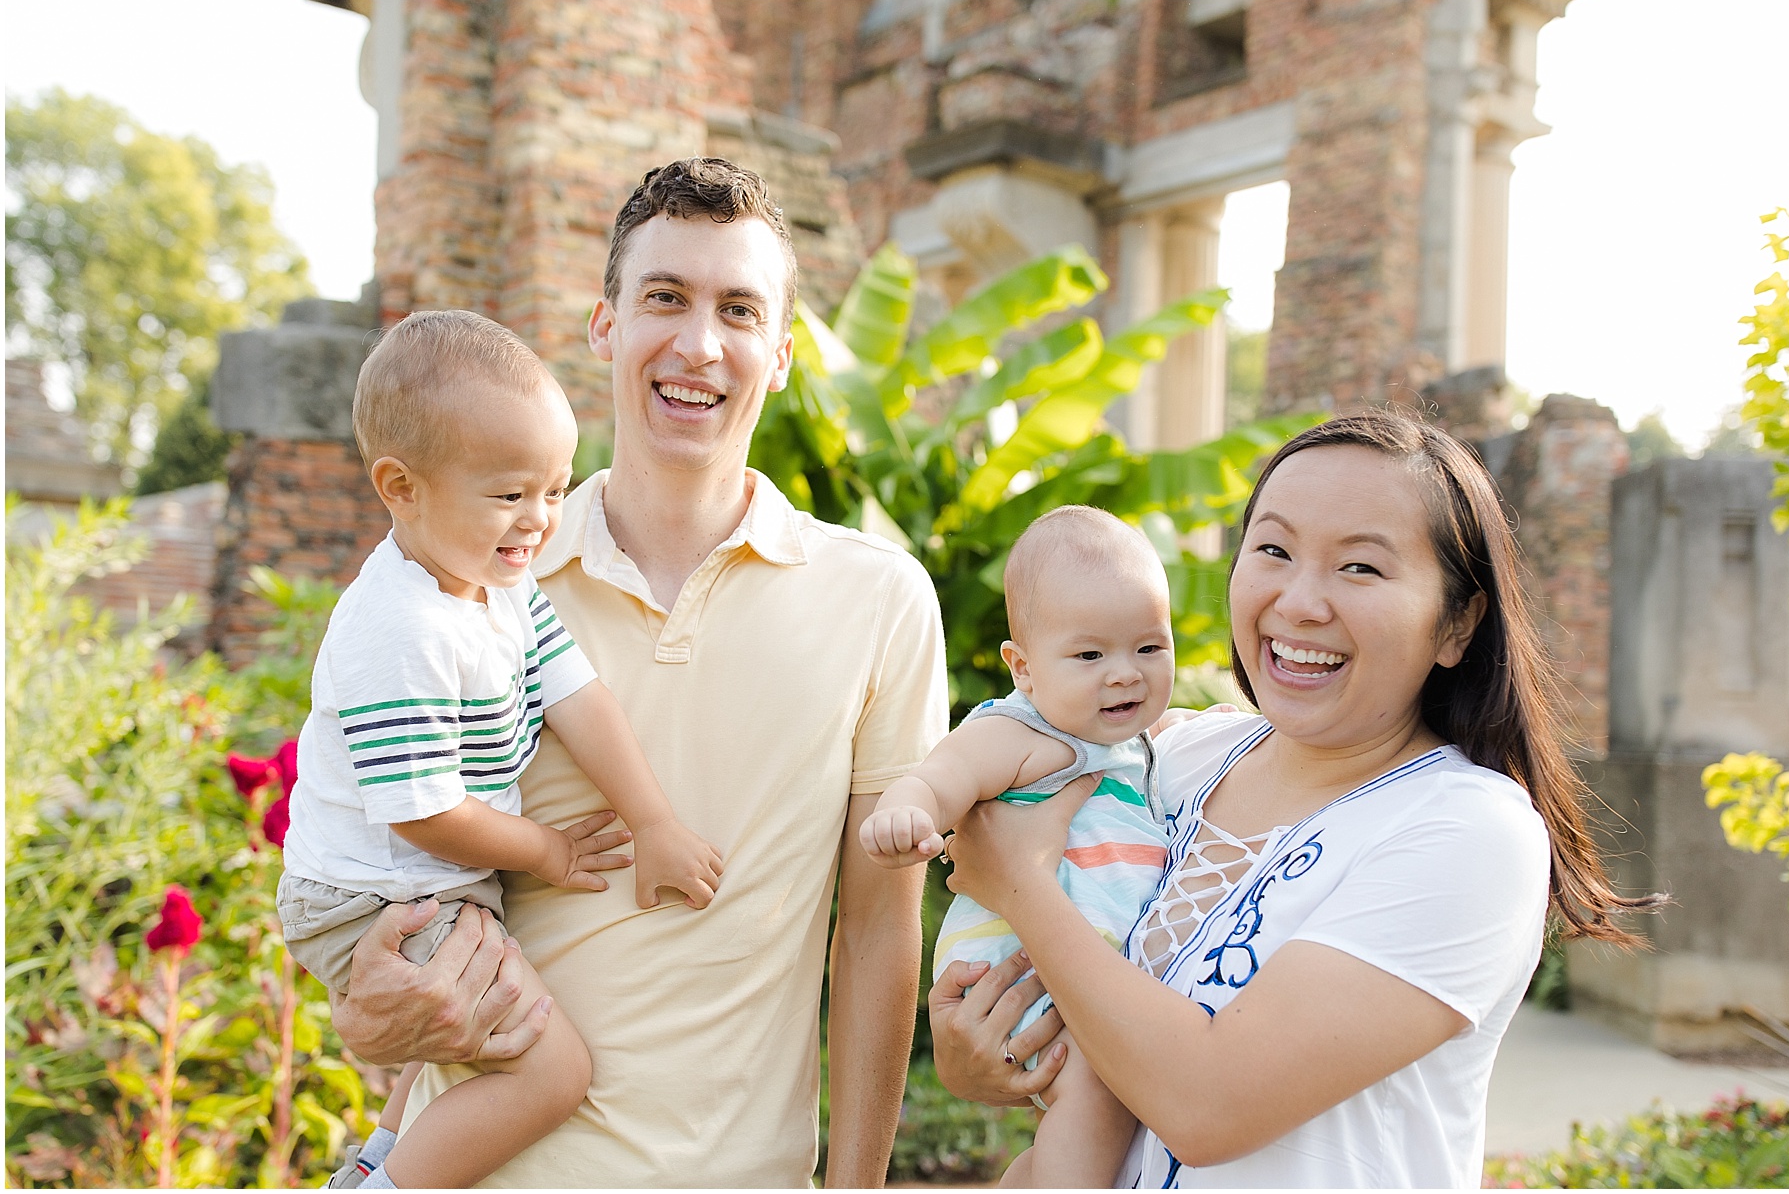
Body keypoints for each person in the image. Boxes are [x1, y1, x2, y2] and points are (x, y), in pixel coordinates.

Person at [327, 158, 945, 1186]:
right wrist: (365, 1011)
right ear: (605, 325)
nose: (698, 344)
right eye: (665, 297)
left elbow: (880, 932)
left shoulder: (879, 599)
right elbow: (394, 863)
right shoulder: (460, 582)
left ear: (781, 355)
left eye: (738, 310)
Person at [929, 411, 1663, 1187]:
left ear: (1456, 624)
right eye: (1274, 550)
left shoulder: (1468, 831)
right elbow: (1045, 1015)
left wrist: (1020, 882)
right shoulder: (1168, 759)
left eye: (1361, 568)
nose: (1301, 602)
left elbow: (1206, 1104)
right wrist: (983, 1053)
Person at [279, 310, 724, 1188]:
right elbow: (426, 812)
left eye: (554, 491)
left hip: (422, 885)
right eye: (508, 494)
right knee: (551, 1072)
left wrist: (655, 820)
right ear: (400, 486)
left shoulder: (497, 586)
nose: (539, 521)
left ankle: (373, 1159)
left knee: (461, 1010)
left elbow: (580, 698)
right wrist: (550, 853)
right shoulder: (401, 625)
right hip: (370, 896)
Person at [861, 506, 1173, 1186]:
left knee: (1086, 1121)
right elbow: (941, 775)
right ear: (1023, 668)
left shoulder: (1137, 744)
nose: (1125, 674)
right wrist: (905, 814)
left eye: (1149, 648)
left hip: (1075, 969)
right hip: (1019, 965)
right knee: (1093, 1090)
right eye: (1090, 655)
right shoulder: (1023, 733)